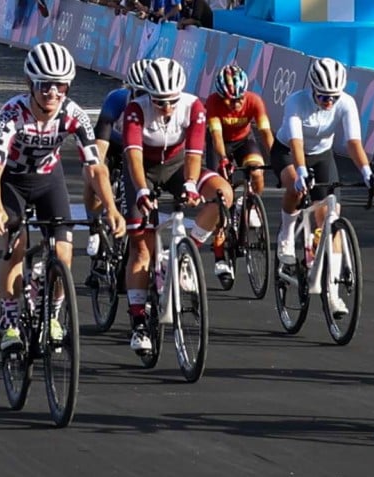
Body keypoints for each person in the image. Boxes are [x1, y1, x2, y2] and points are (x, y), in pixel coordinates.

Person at [0, 42, 125, 351]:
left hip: (49, 180)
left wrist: (111, 209)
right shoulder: (12, 112)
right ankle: (8, 321)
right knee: (16, 248)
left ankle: (53, 315)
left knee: (63, 254)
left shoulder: (73, 113)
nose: (52, 92)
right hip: (14, 182)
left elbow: (96, 168)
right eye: (44, 85)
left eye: (60, 85)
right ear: (30, 84)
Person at [121, 57, 232, 352]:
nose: (167, 108)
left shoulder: (194, 106)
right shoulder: (135, 110)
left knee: (223, 195)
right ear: (148, 95)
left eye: (171, 101)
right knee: (141, 247)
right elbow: (132, 155)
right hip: (142, 168)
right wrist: (142, 190)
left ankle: (187, 251)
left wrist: (190, 184)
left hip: (178, 164)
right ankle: (139, 321)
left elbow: (196, 149)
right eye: (159, 102)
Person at [271, 57, 374, 317]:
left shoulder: (346, 103)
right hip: (288, 152)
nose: (329, 102)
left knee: (330, 220)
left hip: (322, 156)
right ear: (312, 88)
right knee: (297, 190)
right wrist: (299, 172)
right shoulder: (296, 102)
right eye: (323, 97)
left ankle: (331, 293)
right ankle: (287, 235)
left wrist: (367, 173)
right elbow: (296, 142)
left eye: (333, 96)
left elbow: (354, 143)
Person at [204, 63, 274, 286]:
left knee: (257, 171)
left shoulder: (254, 101)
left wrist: (277, 159)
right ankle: (219, 256)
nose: (236, 104)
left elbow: (264, 132)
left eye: (239, 99)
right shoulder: (213, 103)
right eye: (230, 100)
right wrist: (223, 158)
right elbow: (215, 137)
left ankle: (251, 204)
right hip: (221, 143)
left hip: (245, 141)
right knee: (221, 198)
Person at [83, 57, 151, 254]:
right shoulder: (116, 99)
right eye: (139, 93)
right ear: (129, 89)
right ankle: (94, 225)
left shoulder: (155, 105)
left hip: (139, 147)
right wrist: (97, 174)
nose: (143, 99)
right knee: (93, 173)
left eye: (148, 94)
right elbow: (99, 146)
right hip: (113, 142)